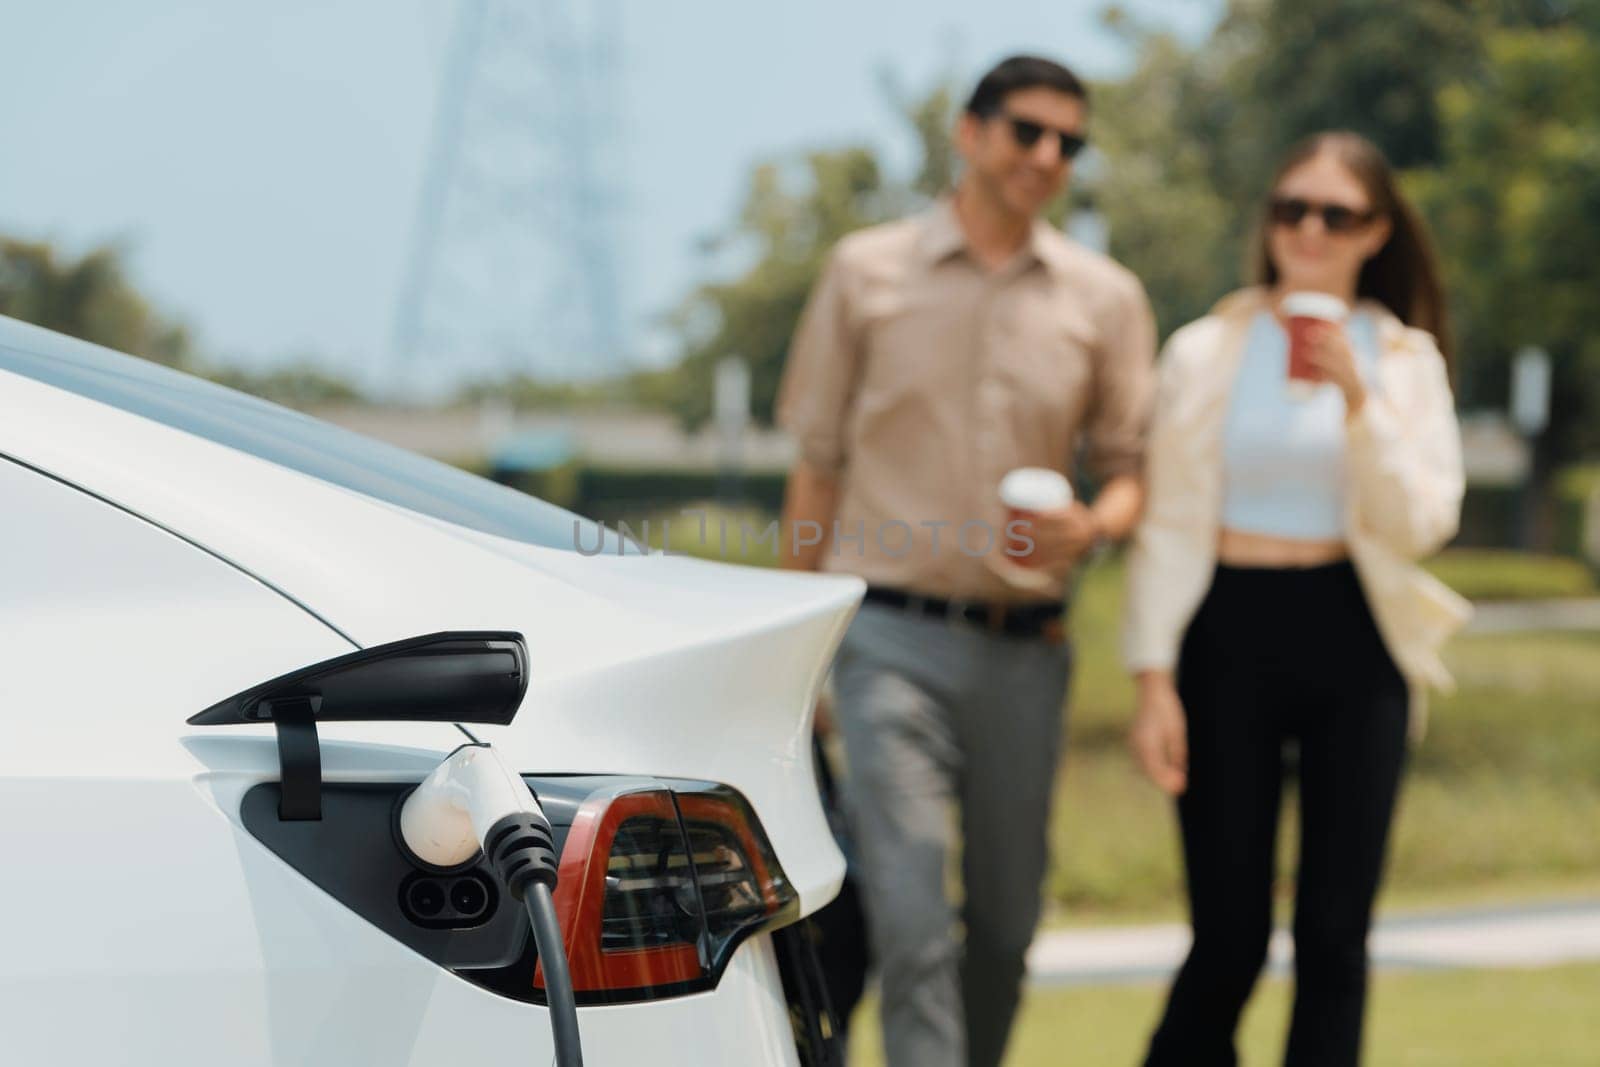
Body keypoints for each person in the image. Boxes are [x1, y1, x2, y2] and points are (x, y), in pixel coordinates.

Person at [776, 54, 1156, 1067]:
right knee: (907, 914)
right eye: (1026, 130)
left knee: (1004, 925)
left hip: (1024, 650)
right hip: (885, 640)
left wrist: (1095, 524)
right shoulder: (865, 271)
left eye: (1067, 143)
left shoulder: (1104, 297)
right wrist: (793, 653)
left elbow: (1129, 470)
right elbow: (816, 470)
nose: (1045, 156)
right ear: (968, 131)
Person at [1124, 130, 1473, 1066]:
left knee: (1334, 937)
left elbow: (1422, 520)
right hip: (1224, 631)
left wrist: (1360, 402)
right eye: (1291, 209)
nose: (1310, 229)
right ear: (1269, 220)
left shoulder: (1405, 360)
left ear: (1377, 232)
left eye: (1337, 214)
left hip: (1355, 637)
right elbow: (1165, 527)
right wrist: (1153, 675)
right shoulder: (1202, 349)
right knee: (1228, 936)